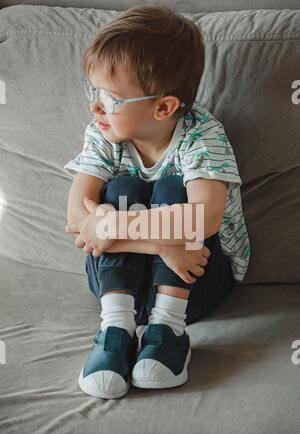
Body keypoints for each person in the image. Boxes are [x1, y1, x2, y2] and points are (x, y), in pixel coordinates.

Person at [64, 5, 251, 400]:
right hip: (124, 288)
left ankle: (168, 330)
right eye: (93, 90)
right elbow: (77, 217)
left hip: (194, 278)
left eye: (110, 97)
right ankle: (115, 331)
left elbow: (206, 218)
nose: (95, 107)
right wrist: (160, 245)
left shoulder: (202, 136)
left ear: (163, 107)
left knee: (171, 189)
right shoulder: (102, 133)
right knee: (122, 187)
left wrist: (111, 225)